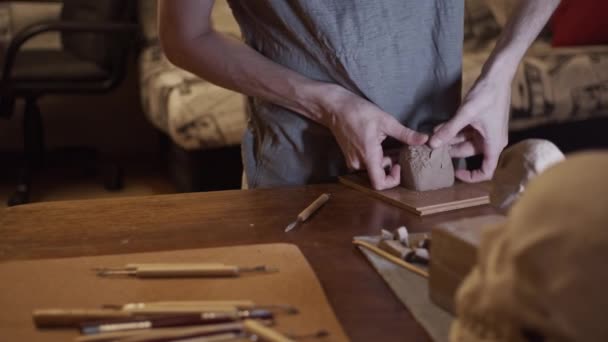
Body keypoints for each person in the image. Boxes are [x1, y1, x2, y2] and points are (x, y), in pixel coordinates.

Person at [158, 1, 561, 190]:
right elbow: (185, 36)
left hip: (441, 177)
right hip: (301, 180)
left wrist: (501, 72)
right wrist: (327, 104)